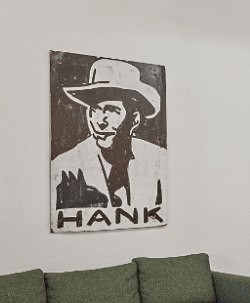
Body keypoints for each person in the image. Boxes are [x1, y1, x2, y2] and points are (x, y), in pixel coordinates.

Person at [51, 59, 166, 221]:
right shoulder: (65, 167)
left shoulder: (158, 160)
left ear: (134, 120)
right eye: (94, 110)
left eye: (111, 110)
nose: (99, 121)